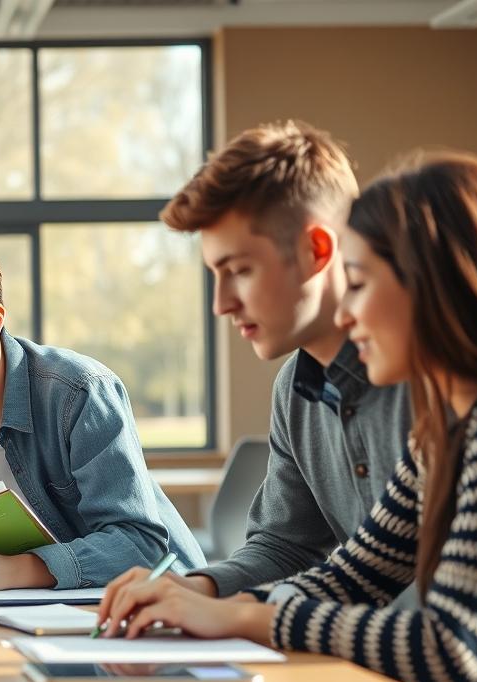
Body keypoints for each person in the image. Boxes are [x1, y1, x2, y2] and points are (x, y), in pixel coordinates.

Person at [98, 152, 477, 682]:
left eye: (357, 284)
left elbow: (451, 647)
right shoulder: (442, 432)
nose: (348, 316)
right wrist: (202, 601)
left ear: (428, 287)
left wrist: (239, 615)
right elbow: (353, 576)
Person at [0, 226, 204, 592]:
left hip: (159, 603)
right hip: (15, 608)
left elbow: (139, 543)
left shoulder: (79, 393)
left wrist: (17, 570)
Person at [160, 120, 410, 597]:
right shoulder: (294, 387)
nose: (221, 304)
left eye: (240, 271)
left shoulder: (436, 380)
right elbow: (285, 548)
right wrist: (197, 590)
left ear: (317, 250)